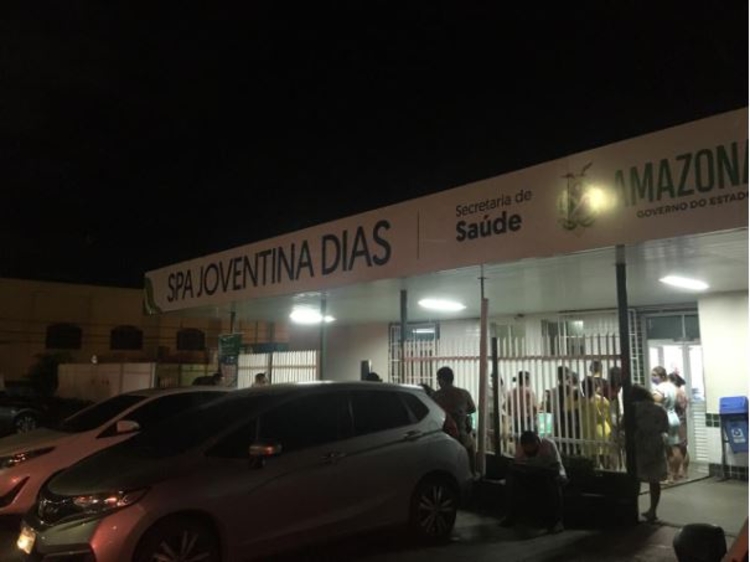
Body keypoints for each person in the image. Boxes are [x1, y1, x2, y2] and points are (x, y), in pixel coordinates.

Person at [499, 430, 567, 534]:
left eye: (533, 451)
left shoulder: (548, 445)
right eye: (528, 452)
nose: (530, 454)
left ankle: (556, 522)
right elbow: (517, 464)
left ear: (538, 443)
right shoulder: (521, 448)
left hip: (550, 475)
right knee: (512, 481)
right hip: (531, 475)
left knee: (553, 483)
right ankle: (511, 515)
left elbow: (556, 466)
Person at [630, 384, 669, 523]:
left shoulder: (633, 409)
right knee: (654, 479)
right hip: (655, 445)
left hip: (638, 444)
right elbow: (665, 427)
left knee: (635, 477)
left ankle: (633, 508)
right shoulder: (659, 409)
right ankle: (653, 510)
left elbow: (624, 426)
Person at [433, 366, 477, 472]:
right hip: (462, 436)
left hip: (443, 437)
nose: (438, 381)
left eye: (438, 379)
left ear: (441, 380)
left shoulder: (436, 396)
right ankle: (473, 474)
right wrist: (461, 413)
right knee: (470, 456)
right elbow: (472, 409)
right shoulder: (464, 393)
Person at [651, 366, 682, 483]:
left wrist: (650, 398)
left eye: (654, 375)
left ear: (662, 376)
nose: (652, 378)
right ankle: (675, 474)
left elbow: (657, 400)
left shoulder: (660, 388)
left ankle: (668, 476)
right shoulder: (672, 386)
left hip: (664, 419)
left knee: (665, 450)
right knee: (675, 447)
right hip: (674, 417)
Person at [580, 377, 611, 467]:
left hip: (587, 433)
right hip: (601, 431)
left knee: (592, 463)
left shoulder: (580, 401)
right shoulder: (603, 400)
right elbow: (605, 418)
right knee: (605, 461)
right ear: (596, 387)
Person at [670, 372, 690, 480]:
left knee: (675, 448)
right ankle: (684, 472)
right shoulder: (682, 392)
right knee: (683, 447)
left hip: (674, 421)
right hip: (682, 421)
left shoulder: (674, 392)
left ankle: (675, 473)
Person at [508, 371, 538, 436]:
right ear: (526, 380)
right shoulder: (529, 391)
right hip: (528, 422)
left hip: (516, 422)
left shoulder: (512, 392)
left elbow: (505, 407)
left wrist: (514, 414)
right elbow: (535, 408)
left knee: (518, 440)